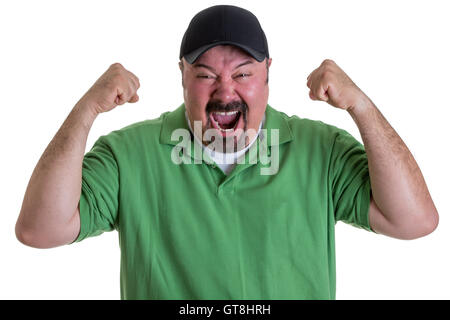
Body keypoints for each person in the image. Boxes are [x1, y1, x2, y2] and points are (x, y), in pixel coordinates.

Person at [15, 5, 438, 299]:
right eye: (205, 75)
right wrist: (86, 109)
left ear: (268, 72)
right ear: (181, 75)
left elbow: (414, 221)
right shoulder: (130, 155)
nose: (225, 91)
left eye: (243, 74)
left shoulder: (320, 150)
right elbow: (40, 230)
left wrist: (360, 105)